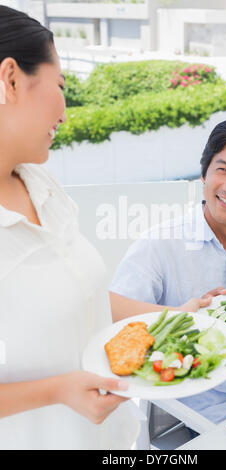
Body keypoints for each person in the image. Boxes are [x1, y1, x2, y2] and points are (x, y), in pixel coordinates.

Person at [0, 5, 143, 451]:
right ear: (11, 79)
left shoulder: (40, 182)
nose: (66, 111)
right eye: (61, 86)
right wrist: (58, 390)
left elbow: (84, 293)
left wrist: (181, 316)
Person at [110, 120, 226, 426]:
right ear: (204, 173)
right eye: (222, 170)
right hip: (202, 409)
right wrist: (186, 319)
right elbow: (123, 326)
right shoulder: (159, 244)